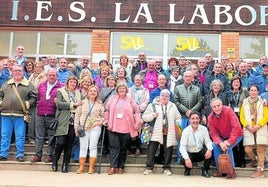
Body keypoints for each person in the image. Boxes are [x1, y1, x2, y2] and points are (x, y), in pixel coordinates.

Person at [0, 65, 37, 162]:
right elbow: (0, 95)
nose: (17, 72)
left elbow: (34, 97)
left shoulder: (29, 84)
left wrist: (27, 104)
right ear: (12, 72)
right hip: (6, 113)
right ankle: (3, 153)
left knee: (20, 136)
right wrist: (1, 103)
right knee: (5, 135)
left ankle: (20, 154)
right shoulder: (6, 84)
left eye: (19, 70)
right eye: (15, 70)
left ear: (23, 72)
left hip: (20, 114)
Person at [104, 82, 141, 175]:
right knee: (113, 147)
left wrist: (137, 122)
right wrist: (106, 120)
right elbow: (107, 110)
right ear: (117, 90)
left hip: (126, 128)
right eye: (119, 89)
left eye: (123, 89)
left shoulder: (130, 100)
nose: (121, 90)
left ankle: (121, 166)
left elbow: (137, 111)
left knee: (123, 148)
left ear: (126, 90)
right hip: (113, 127)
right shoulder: (112, 99)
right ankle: (113, 167)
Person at [142, 89, 181, 176]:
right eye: (162, 95)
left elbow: (178, 117)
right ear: (160, 96)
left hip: (168, 131)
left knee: (168, 150)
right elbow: (144, 117)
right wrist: (152, 115)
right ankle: (149, 168)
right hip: (155, 131)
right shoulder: (152, 105)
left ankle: (166, 168)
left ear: (169, 97)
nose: (164, 97)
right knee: (152, 150)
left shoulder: (173, 106)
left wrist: (177, 127)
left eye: (166, 96)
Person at [30, 68, 64, 163]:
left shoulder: (61, 87)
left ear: (57, 76)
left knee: (52, 136)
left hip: (52, 115)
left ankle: (49, 155)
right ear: (47, 75)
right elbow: (39, 98)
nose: (52, 77)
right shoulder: (41, 85)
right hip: (40, 114)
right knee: (39, 136)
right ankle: (38, 154)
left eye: (54, 75)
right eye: (50, 75)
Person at [52, 76, 82, 173]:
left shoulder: (78, 93)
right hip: (63, 120)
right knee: (60, 142)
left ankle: (65, 164)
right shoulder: (61, 91)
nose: (73, 84)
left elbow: (81, 105)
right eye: (71, 82)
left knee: (69, 144)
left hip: (74, 121)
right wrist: (72, 104)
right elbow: (59, 104)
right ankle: (55, 161)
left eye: (74, 82)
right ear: (67, 83)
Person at [208, 98, 243, 179]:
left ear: (222, 105)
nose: (216, 108)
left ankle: (231, 171)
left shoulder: (228, 110)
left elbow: (236, 127)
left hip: (237, 135)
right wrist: (220, 142)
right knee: (215, 145)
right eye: (214, 107)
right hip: (223, 137)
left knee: (228, 147)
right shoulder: (210, 117)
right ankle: (220, 170)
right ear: (212, 108)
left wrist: (229, 141)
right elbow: (213, 133)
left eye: (218, 105)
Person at [173, 70, 203, 164]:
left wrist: (192, 112)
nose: (188, 78)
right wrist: (186, 111)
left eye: (190, 76)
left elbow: (200, 101)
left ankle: (193, 158)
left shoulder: (197, 89)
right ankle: (180, 158)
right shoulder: (178, 88)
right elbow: (176, 101)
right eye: (186, 76)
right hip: (181, 117)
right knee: (180, 138)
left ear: (192, 78)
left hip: (193, 118)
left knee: (193, 138)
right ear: (183, 77)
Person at [239, 85, 268, 178]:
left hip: (260, 127)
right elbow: (241, 116)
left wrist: (259, 125)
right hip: (249, 128)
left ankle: (260, 169)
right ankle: (254, 160)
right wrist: (247, 126)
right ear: (249, 92)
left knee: (260, 148)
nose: (253, 92)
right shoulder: (245, 102)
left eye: (255, 90)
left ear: (258, 92)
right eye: (251, 90)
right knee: (247, 149)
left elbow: (266, 116)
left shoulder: (262, 102)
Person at [74, 85, 104, 174]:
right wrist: (76, 127)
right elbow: (77, 116)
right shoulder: (82, 103)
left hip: (95, 126)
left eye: (94, 91)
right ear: (88, 92)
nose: (92, 92)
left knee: (93, 146)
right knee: (83, 146)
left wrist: (100, 122)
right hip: (83, 127)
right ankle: (81, 166)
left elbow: (103, 116)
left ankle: (91, 167)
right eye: (91, 91)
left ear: (97, 93)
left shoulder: (99, 103)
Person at [179, 112, 213, 177]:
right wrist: (186, 159)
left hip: (200, 152)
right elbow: (182, 147)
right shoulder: (186, 131)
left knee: (210, 150)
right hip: (190, 153)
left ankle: (205, 169)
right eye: (193, 119)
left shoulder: (204, 129)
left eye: (197, 118)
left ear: (199, 120)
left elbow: (208, 141)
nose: (195, 121)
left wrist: (209, 150)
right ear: (190, 120)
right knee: (183, 158)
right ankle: (187, 169)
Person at [226, 75, 248, 168]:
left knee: (242, 140)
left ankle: (242, 161)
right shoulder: (228, 93)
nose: (236, 84)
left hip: (242, 118)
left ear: (240, 83)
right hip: (231, 119)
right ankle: (235, 160)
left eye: (237, 82)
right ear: (231, 84)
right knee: (233, 140)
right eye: (234, 82)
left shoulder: (244, 92)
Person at [127, 74, 150, 156]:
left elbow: (147, 101)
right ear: (134, 80)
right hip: (131, 113)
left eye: (139, 80)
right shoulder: (129, 90)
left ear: (141, 81)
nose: (137, 81)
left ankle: (138, 148)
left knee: (139, 131)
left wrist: (139, 109)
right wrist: (135, 109)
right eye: (136, 79)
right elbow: (128, 100)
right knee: (129, 130)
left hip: (141, 113)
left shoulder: (145, 90)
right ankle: (128, 148)